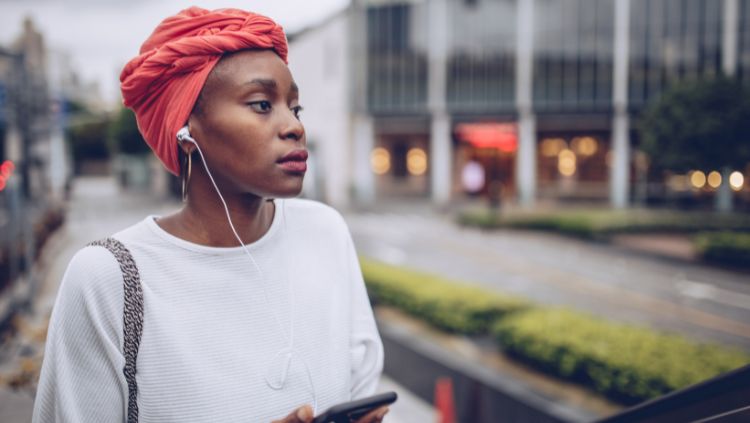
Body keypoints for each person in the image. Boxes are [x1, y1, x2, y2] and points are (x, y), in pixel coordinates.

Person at [32, 7, 387, 423]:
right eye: (260, 104)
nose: (294, 126)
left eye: (295, 108)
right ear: (187, 131)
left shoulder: (325, 234)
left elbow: (365, 390)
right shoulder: (108, 278)